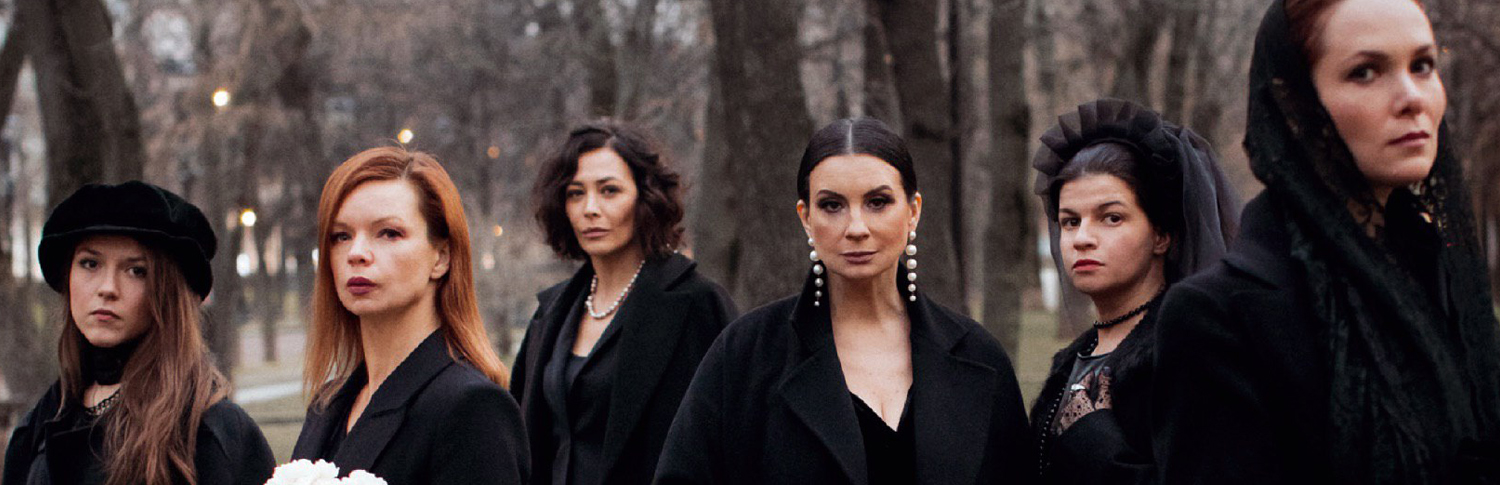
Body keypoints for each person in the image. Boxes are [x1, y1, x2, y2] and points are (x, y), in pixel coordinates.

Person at [1152, 0, 1500, 483]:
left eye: (1422, 65)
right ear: (1295, 105)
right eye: (1365, 72)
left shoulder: (1441, 277)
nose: (1411, 98)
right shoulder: (1219, 317)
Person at [654, 118, 1031, 485]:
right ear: (806, 217)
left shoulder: (978, 356)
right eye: (832, 205)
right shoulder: (745, 355)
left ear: (913, 211)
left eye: (878, 202)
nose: (856, 228)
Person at [3, 181, 275, 485]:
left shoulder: (209, 430)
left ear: (167, 292)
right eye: (90, 264)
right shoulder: (40, 425)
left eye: (136, 271)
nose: (107, 288)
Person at [512, 122, 736, 485]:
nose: (590, 209)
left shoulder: (696, 305)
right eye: (575, 194)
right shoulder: (551, 313)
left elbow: (730, 442)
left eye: (610, 191)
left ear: (646, 198)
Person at [1028, 98, 1238, 484]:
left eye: (1111, 218)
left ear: (1161, 235)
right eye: (1070, 221)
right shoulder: (1070, 360)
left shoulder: (1187, 353)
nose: (1082, 238)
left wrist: (1095, 442)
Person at [290, 147, 529, 483]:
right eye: (341, 236)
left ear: (441, 257)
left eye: (389, 233)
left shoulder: (472, 407)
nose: (356, 253)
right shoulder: (328, 404)